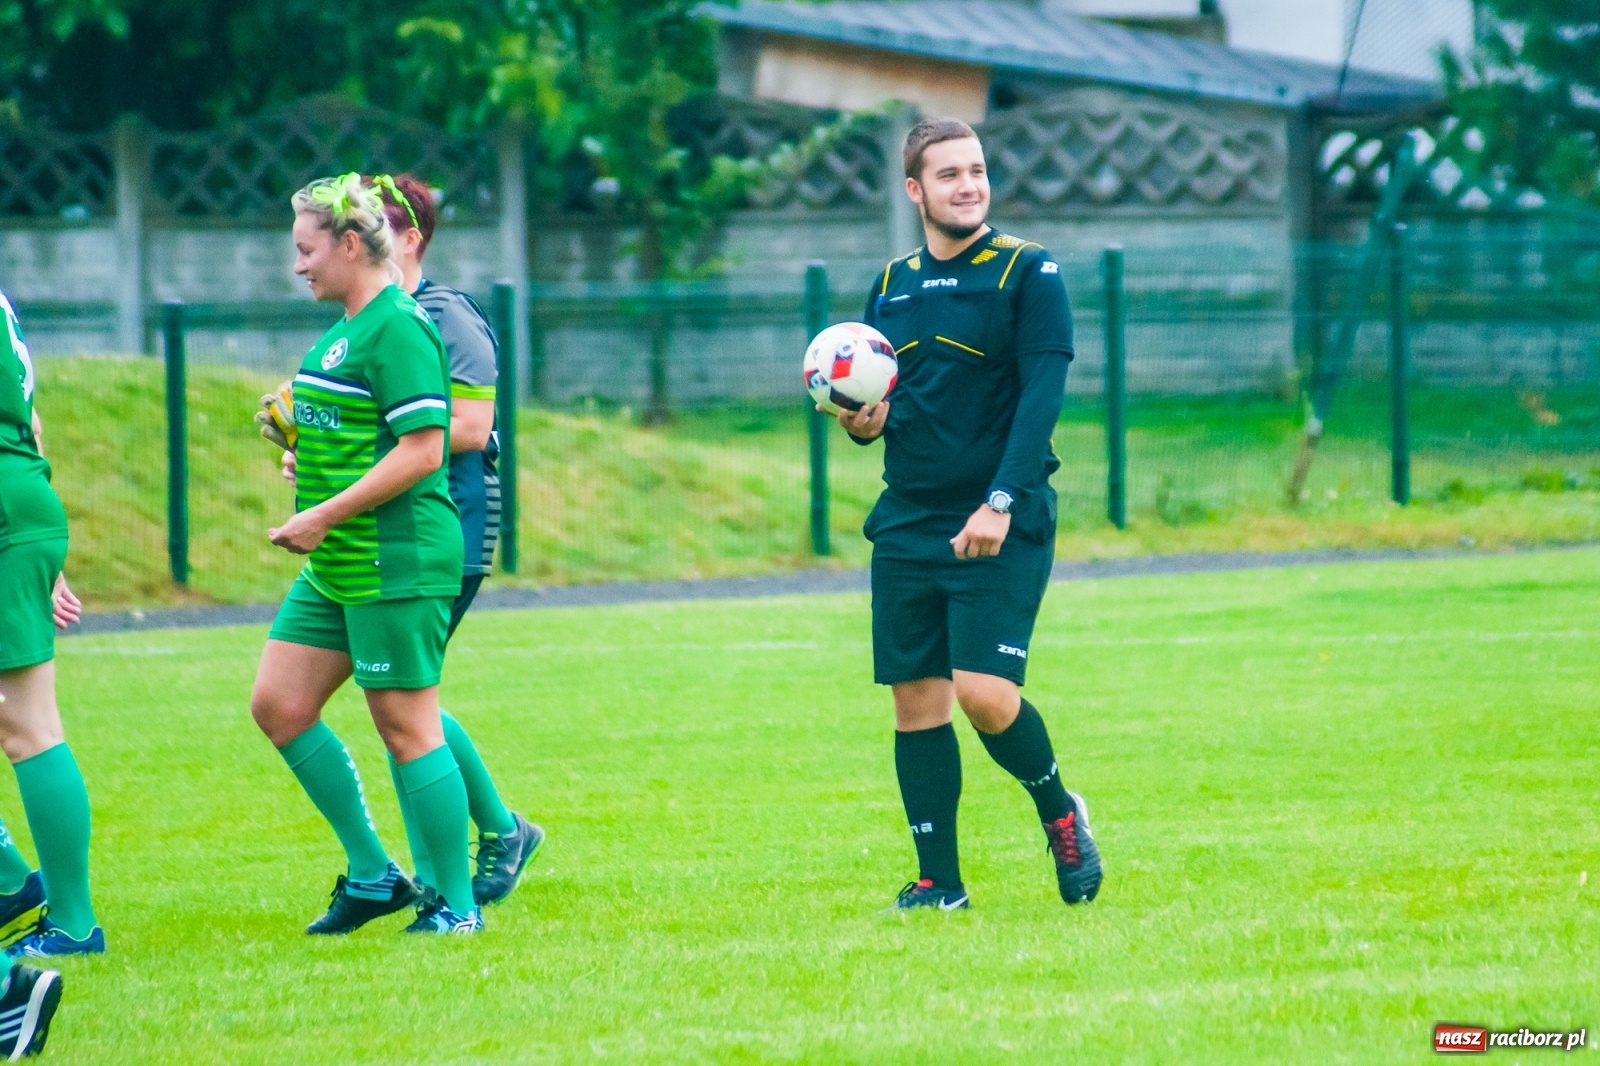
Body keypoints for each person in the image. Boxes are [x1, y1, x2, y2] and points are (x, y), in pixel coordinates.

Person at [837, 118, 1102, 911]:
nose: (968, 185)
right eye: (948, 173)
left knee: (985, 693)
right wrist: (863, 422)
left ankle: (1059, 809)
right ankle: (937, 883)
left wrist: (1000, 500)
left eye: (977, 170)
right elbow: (881, 403)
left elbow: (1040, 401)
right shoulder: (890, 285)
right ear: (915, 190)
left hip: (999, 518)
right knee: (917, 702)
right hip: (909, 521)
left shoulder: (1030, 271)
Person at [249, 173, 480, 935]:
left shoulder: (398, 326)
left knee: (408, 726)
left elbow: (422, 451)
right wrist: (305, 458)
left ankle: (456, 905)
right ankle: (377, 877)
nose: (298, 265)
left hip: (393, 554)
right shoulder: (345, 328)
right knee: (280, 705)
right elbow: (364, 435)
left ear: (351, 244)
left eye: (306, 249)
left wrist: (322, 511)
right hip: (341, 559)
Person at [367, 173, 542, 916]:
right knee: (401, 697)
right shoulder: (379, 320)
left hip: (455, 522)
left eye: (373, 226)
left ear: (410, 238)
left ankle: (497, 835)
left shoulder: (445, 315)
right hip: (391, 527)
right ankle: (466, 854)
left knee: (407, 698)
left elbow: (468, 430)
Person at [0, 291, 102, 957]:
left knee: (27, 724)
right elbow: (29, 422)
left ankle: (71, 921)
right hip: (20, 499)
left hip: (9, 511)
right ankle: (14, 884)